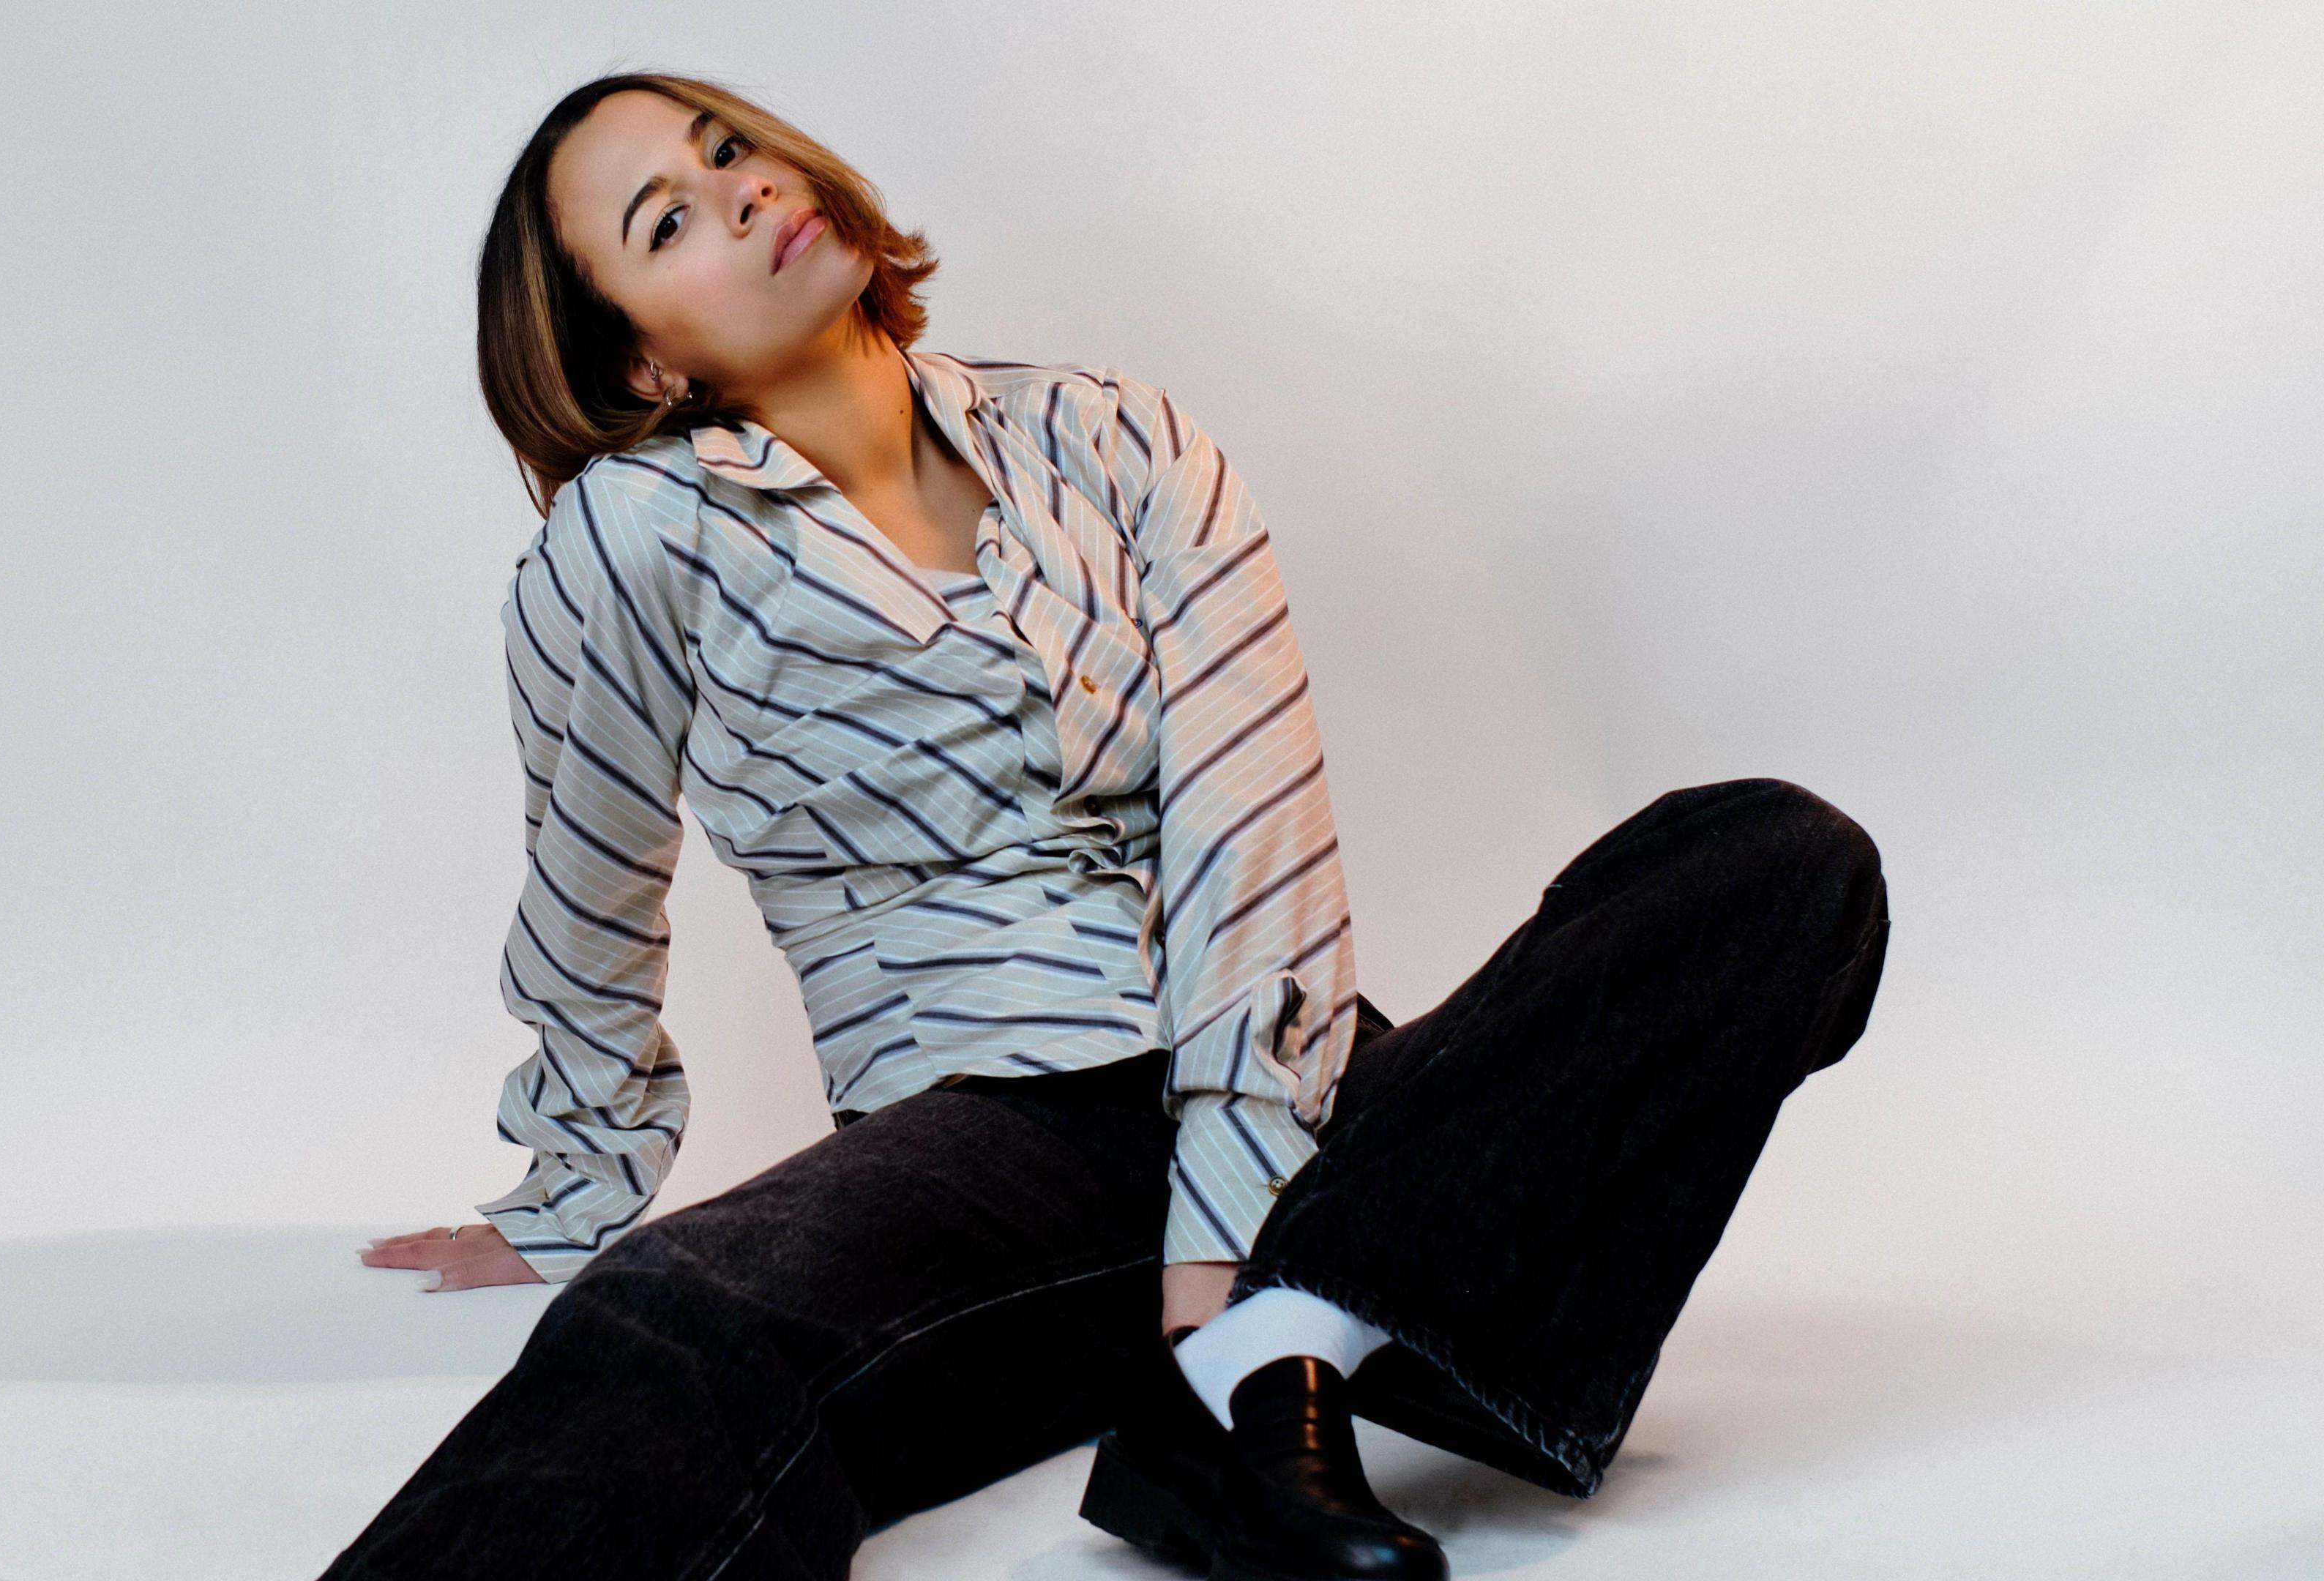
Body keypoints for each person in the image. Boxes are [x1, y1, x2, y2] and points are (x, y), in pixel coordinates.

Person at [320, 70, 1890, 1581]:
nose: (738, 192)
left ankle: (1271, 1367)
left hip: (1286, 1071)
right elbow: (591, 874)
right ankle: (1294, 1352)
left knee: (1776, 862)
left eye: (728, 151)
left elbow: (1252, 822)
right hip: (1000, 1135)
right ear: (645, 362)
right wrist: (577, 1181)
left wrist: (1220, 1250)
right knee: (683, 1313)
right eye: (665, 223)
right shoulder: (638, 536)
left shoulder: (1117, 439)